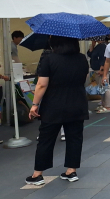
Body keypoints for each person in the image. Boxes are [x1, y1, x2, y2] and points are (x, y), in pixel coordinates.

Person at [26, 36, 89, 185]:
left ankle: (37, 175)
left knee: (46, 140)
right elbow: (84, 78)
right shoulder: (82, 59)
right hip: (77, 103)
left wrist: (35, 104)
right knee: (74, 138)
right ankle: (71, 171)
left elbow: (42, 84)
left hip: (53, 105)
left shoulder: (49, 59)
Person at [87, 37, 110, 114]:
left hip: (100, 70)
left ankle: (107, 106)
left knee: (105, 87)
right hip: (96, 69)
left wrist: (102, 69)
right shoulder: (98, 46)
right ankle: (103, 104)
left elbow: (103, 58)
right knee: (101, 88)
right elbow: (90, 54)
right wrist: (92, 46)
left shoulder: (103, 46)